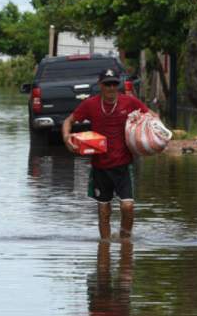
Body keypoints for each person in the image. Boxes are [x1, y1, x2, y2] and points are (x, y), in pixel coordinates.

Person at [63, 69, 151, 241]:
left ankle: (125, 240)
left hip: (123, 165)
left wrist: (155, 135)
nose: (111, 88)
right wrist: (67, 137)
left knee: (127, 206)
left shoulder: (129, 102)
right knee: (104, 210)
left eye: (114, 84)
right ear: (100, 85)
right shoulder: (91, 104)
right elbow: (69, 121)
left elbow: (151, 115)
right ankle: (104, 247)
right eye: (107, 84)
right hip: (100, 167)